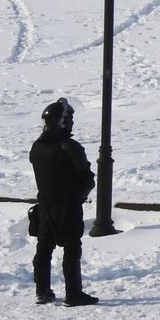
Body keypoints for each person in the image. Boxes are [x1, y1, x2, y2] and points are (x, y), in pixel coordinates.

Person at [30, 98, 98, 306]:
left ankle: (42, 290)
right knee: (71, 249)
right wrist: (79, 196)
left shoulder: (38, 147)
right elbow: (87, 178)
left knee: (44, 248)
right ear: (63, 122)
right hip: (67, 206)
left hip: (45, 205)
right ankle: (73, 293)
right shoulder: (69, 147)